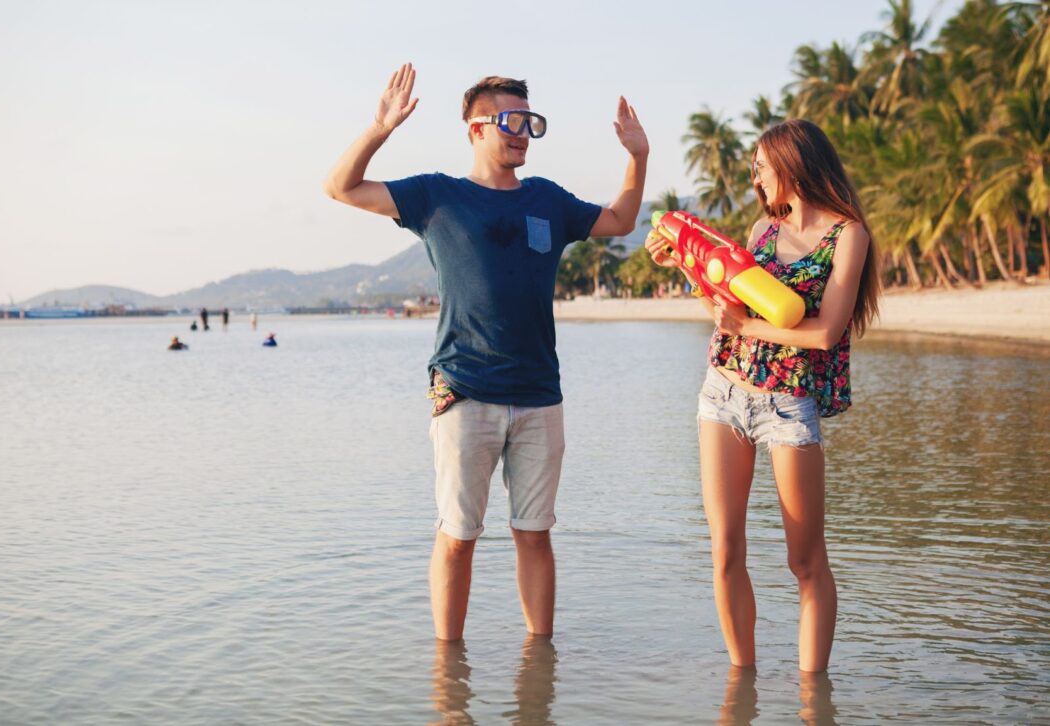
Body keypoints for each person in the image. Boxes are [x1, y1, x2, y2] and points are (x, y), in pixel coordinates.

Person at [324, 63, 648, 640]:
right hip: (465, 391)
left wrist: (637, 157)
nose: (522, 131)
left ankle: (538, 668)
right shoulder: (435, 197)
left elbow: (621, 219)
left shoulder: (548, 200)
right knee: (457, 536)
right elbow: (340, 188)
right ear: (475, 128)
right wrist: (379, 129)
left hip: (539, 396)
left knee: (535, 533)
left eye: (530, 120)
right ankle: (450, 680)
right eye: (510, 119)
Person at [646, 119, 879, 672]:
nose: (754, 176)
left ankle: (810, 696)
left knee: (805, 561)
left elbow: (825, 331)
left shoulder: (848, 235)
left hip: (787, 406)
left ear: (792, 163)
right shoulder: (760, 232)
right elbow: (728, 313)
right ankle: (741, 685)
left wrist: (746, 328)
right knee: (725, 551)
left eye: (760, 165)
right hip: (723, 391)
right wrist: (684, 264)